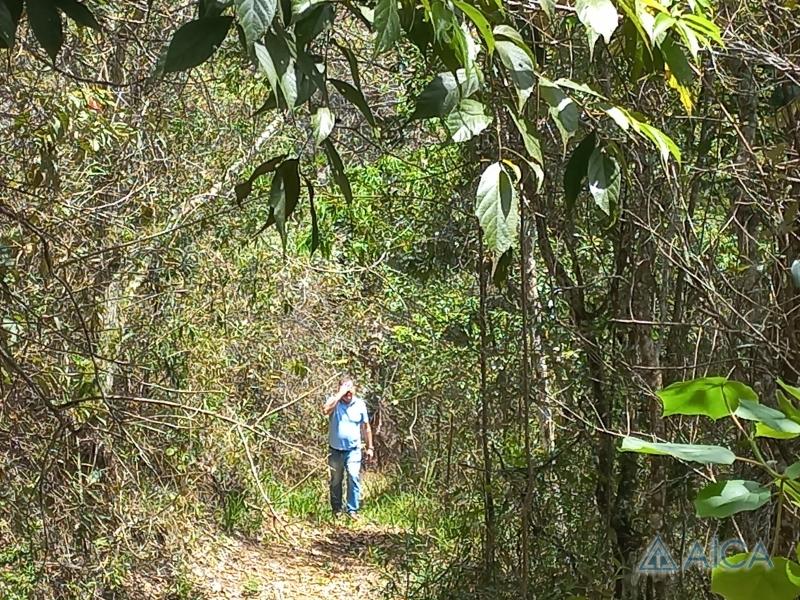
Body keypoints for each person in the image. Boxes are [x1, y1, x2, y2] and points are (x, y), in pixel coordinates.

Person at [322, 375, 373, 519]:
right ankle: (337, 509)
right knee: (336, 480)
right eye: (346, 390)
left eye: (350, 389)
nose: (348, 393)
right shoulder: (334, 402)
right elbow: (325, 410)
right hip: (335, 450)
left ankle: (352, 510)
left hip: (353, 450)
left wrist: (370, 447)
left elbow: (366, 427)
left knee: (353, 475)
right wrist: (339, 394)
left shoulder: (360, 404)